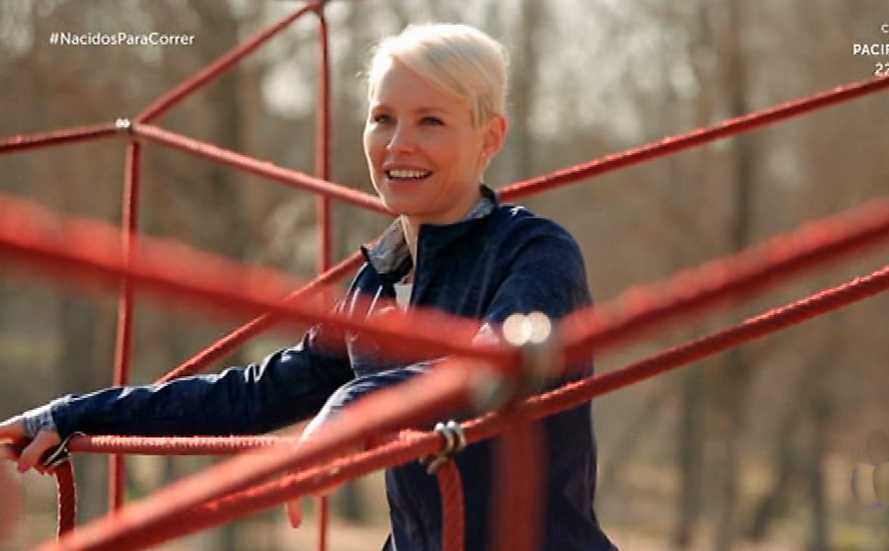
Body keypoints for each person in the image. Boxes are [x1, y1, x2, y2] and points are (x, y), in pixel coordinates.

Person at [0, 23, 617, 551]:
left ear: (491, 137)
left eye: (431, 121)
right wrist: (72, 414)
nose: (398, 144)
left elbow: (490, 366)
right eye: (382, 118)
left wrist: (351, 407)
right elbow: (254, 395)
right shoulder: (378, 281)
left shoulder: (536, 252)